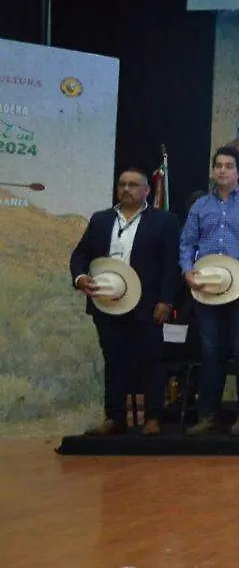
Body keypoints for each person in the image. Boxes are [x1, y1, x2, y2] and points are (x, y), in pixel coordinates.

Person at [69, 169, 180, 436]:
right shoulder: (101, 219)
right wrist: (80, 277)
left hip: (146, 302)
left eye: (133, 184)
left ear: (147, 190)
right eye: (122, 184)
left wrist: (166, 300)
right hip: (106, 301)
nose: (126, 189)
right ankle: (114, 417)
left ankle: (153, 418)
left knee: (150, 359)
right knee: (114, 358)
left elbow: (170, 265)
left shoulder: (164, 221)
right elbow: (79, 255)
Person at [181, 146, 239, 436]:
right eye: (218, 165)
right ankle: (208, 415)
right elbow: (187, 244)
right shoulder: (200, 207)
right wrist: (187, 271)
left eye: (229, 165)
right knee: (210, 351)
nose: (222, 170)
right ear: (213, 170)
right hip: (207, 286)